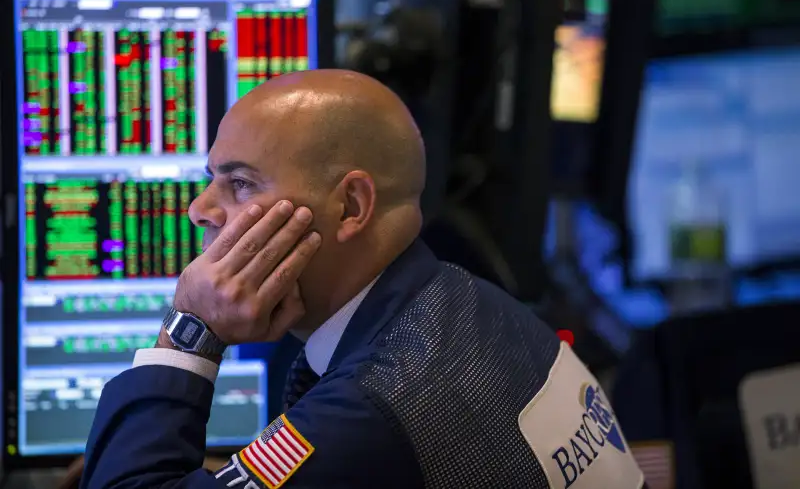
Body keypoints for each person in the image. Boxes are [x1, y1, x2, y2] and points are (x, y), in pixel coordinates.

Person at [81, 70, 646, 489]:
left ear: (351, 206)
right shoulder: (472, 305)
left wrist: (193, 329)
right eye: (211, 179)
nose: (200, 209)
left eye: (241, 184)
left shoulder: (378, 405)